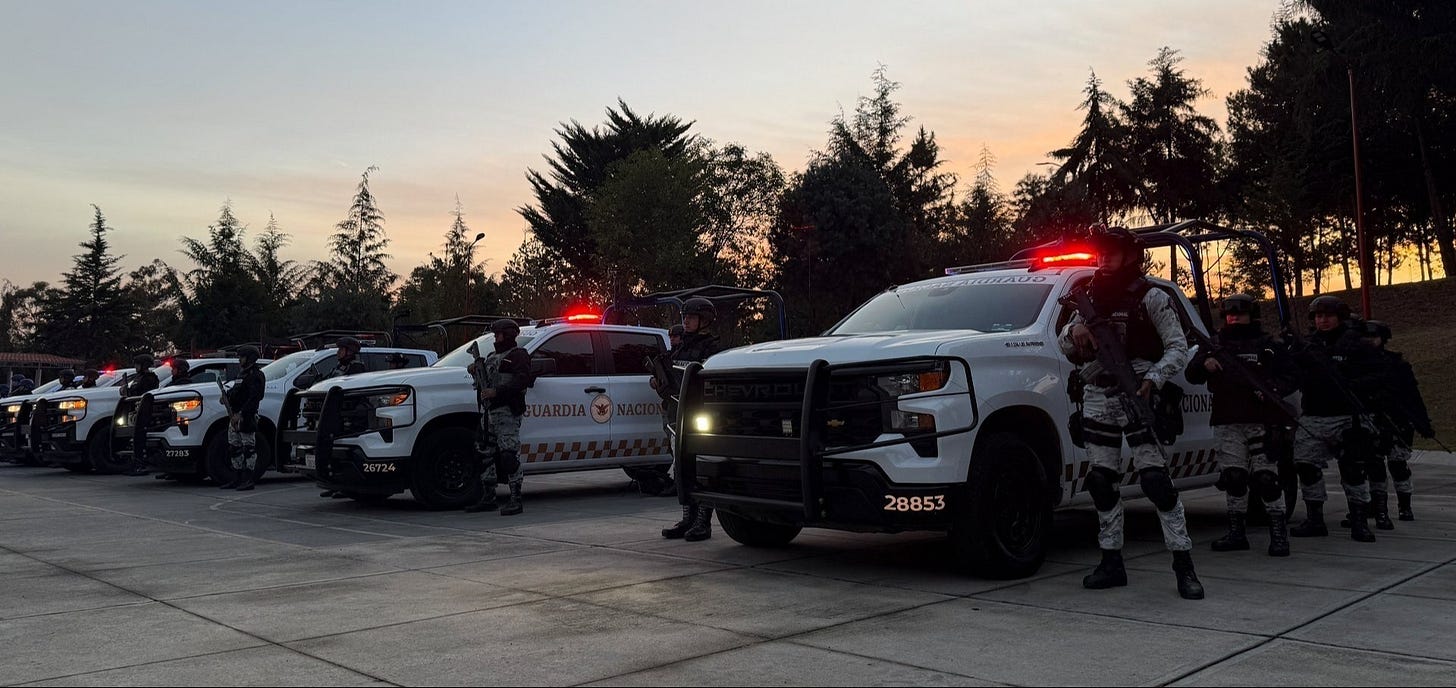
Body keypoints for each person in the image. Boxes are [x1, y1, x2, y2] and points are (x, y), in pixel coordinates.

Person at [1058, 226, 1203, 600]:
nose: (1104, 260)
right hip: (1097, 395)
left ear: (1131, 257)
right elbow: (1066, 345)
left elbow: (1177, 347)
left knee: (1156, 481)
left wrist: (1153, 378)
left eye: (1112, 254)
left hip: (1138, 390)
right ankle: (1111, 561)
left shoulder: (1150, 296)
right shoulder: (1088, 296)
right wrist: (1074, 335)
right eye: (1100, 254)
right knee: (1101, 483)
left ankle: (1183, 564)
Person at [1185, 294, 1299, 557]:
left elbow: (1293, 375)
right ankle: (1237, 532)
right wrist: (1205, 363)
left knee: (1267, 479)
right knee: (1233, 478)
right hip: (1227, 420)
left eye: (1240, 313)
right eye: (1229, 313)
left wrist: (1272, 388)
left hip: (1262, 420)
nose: (1234, 317)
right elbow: (1192, 375)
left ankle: (1278, 533)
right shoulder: (1214, 345)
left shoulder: (1269, 345)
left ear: (1252, 314)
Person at [1288, 296, 1387, 542]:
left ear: (1340, 317)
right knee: (1306, 466)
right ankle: (1315, 519)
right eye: (1318, 316)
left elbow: (1380, 375)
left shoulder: (1357, 345)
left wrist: (1352, 383)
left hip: (1348, 416)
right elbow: (1291, 372)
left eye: (1328, 316)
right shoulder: (1308, 345)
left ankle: (1360, 520)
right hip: (1314, 416)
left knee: (1353, 469)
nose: (1322, 320)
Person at [658, 297, 724, 542]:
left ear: (704, 321)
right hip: (678, 413)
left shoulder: (711, 349)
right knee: (682, 467)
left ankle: (703, 522)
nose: (686, 321)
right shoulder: (678, 348)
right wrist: (660, 383)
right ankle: (688, 517)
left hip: (700, 414)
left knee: (701, 467)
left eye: (691, 317)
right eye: (684, 317)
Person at [1360, 320, 1433, 525]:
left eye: (1373, 337)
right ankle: (1378, 508)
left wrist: (1422, 422)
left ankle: (1405, 506)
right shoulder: (1357, 364)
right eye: (1365, 337)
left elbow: (1413, 395)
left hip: (1397, 421)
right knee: (1374, 467)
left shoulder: (1397, 365)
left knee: (1398, 465)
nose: (1369, 341)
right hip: (1371, 421)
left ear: (1382, 339)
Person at [463, 320, 533, 516]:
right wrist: (475, 370)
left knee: (509, 456)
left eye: (498, 334)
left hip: (507, 411)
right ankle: (488, 497)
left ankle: (515, 499)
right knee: (483, 452)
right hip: (489, 412)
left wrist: (497, 392)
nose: (496, 338)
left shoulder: (519, 355)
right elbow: (484, 382)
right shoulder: (492, 356)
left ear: (507, 335)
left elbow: (522, 380)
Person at [219, 346, 266, 491]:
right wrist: (227, 397)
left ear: (250, 358)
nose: (239, 359)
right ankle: (237, 478)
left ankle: (248, 479)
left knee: (248, 448)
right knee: (234, 447)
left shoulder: (255, 375)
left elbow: (254, 398)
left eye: (242, 357)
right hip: (234, 416)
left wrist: (242, 414)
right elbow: (237, 392)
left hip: (247, 417)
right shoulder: (242, 374)